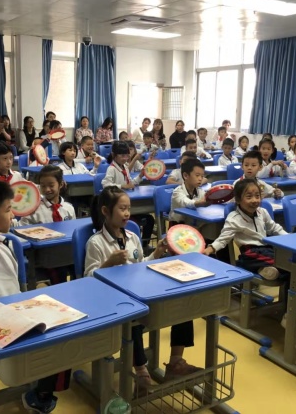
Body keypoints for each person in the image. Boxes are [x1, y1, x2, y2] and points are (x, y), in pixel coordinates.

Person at [0, 175, 63, 413]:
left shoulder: (2, 241)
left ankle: (41, 390)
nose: (12, 215)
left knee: (62, 331)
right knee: (55, 344)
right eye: (8, 210)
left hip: (12, 313)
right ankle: (40, 395)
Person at [84, 186, 200, 396]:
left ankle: (175, 362)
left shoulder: (132, 236)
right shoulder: (96, 242)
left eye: (128, 208)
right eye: (122, 209)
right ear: (105, 211)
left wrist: (156, 253)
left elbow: (141, 264)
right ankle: (141, 371)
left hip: (138, 292)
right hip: (112, 300)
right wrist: (108, 263)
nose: (127, 213)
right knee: (133, 317)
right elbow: (88, 279)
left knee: (182, 303)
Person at [203, 178, 296, 332]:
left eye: (257, 196)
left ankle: (294, 312)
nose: (254, 200)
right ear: (238, 200)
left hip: (267, 249)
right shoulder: (234, 218)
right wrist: (210, 249)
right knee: (289, 268)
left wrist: (289, 239)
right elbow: (223, 238)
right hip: (249, 254)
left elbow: (275, 228)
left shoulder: (262, 212)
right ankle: (290, 314)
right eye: (249, 196)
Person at [101, 141, 153, 246]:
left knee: (150, 220)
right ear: (114, 155)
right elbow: (105, 185)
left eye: (127, 155)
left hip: (129, 203)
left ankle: (143, 245)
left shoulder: (125, 167)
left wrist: (140, 176)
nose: (125, 158)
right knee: (133, 223)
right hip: (119, 207)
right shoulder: (112, 169)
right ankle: (128, 244)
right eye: (122, 156)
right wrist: (121, 186)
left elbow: (130, 184)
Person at [169, 159, 210, 223]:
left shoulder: (199, 190)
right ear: (185, 176)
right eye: (197, 175)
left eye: (202, 176)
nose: (200, 179)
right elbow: (186, 202)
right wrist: (198, 203)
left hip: (193, 222)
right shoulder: (177, 192)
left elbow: (205, 197)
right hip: (178, 225)